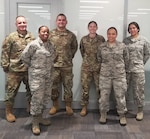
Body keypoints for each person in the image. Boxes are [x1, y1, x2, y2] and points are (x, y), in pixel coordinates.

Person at [21, 26, 55, 135]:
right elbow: (24, 57)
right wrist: (32, 67)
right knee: (36, 99)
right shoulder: (33, 45)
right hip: (37, 77)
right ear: (39, 33)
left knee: (46, 97)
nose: (45, 33)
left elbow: (54, 56)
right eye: (43, 31)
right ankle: (34, 122)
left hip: (48, 76)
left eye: (47, 32)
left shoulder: (51, 45)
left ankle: (40, 117)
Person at [1, 15, 35, 122]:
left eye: (24, 22)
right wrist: (5, 65)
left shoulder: (31, 37)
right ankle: (9, 112)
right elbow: (5, 52)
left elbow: (35, 52)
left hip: (28, 69)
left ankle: (30, 107)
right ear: (16, 25)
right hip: (15, 69)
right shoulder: (11, 37)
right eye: (20, 23)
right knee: (11, 92)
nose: (22, 25)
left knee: (31, 90)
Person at [97, 27, 129, 126]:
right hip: (105, 76)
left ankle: (122, 115)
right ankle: (103, 114)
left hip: (119, 76)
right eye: (109, 34)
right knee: (104, 97)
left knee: (120, 97)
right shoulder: (102, 46)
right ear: (107, 35)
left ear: (116, 34)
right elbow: (99, 59)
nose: (111, 36)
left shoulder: (122, 46)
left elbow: (126, 60)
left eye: (113, 34)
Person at [48, 13, 78, 116]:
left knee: (68, 86)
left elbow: (74, 48)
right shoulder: (50, 34)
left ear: (66, 22)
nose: (61, 22)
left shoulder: (71, 35)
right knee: (54, 87)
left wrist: (68, 57)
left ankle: (68, 106)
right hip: (54, 66)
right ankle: (55, 105)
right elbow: (46, 47)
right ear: (56, 22)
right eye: (59, 20)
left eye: (63, 20)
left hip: (67, 66)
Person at [123, 22, 150, 121]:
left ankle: (140, 111)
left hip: (138, 70)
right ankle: (123, 108)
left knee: (139, 91)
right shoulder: (126, 41)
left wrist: (141, 63)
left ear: (138, 29)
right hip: (126, 69)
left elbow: (147, 54)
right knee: (123, 89)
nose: (132, 30)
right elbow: (123, 54)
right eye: (130, 28)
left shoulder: (144, 40)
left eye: (134, 28)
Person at [79, 21, 105, 116]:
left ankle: (101, 108)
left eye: (94, 26)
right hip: (86, 68)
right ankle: (84, 107)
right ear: (88, 28)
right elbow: (82, 51)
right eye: (91, 26)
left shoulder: (101, 39)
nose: (92, 28)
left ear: (97, 28)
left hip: (98, 68)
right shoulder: (84, 39)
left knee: (100, 88)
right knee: (85, 88)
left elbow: (104, 52)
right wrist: (88, 61)